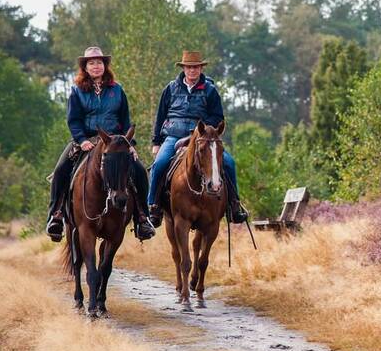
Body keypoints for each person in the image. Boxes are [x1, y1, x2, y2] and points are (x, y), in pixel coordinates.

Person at [45, 46, 156, 242]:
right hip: (86, 140)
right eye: (92, 63)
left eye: (99, 62)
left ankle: (142, 217)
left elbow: (125, 120)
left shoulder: (117, 90)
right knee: (61, 169)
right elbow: (73, 120)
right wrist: (82, 140)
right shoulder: (77, 91)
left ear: (105, 66)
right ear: (85, 67)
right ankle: (56, 216)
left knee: (139, 171)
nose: (96, 66)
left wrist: (129, 143)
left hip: (116, 141)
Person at [148, 50, 248, 225]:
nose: (192, 71)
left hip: (203, 137)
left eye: (195, 67)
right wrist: (156, 142)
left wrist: (201, 128)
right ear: (183, 68)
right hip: (173, 135)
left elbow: (218, 117)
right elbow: (160, 116)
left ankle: (234, 206)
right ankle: (152, 207)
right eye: (189, 67)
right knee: (159, 164)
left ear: (201, 68)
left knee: (229, 163)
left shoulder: (210, 91)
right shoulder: (170, 88)